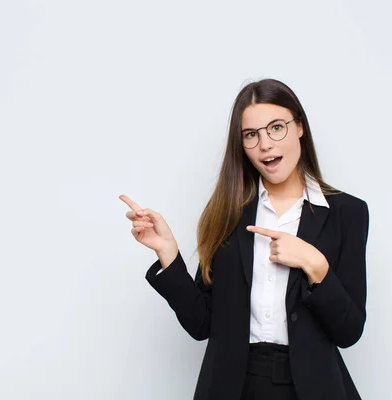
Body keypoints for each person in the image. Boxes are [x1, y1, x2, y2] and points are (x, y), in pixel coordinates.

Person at [119, 79, 370, 400]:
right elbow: (202, 323)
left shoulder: (347, 213)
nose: (265, 144)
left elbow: (349, 331)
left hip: (311, 388)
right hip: (234, 387)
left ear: (300, 128)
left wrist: (314, 264)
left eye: (276, 128)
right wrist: (167, 251)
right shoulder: (227, 211)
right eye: (252, 135)